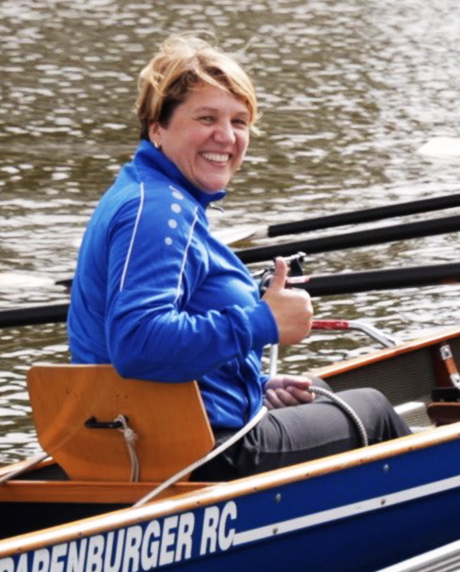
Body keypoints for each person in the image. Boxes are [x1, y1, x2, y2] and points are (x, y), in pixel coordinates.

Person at [68, 36, 409, 479]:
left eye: (240, 122)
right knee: (376, 410)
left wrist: (251, 383)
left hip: (150, 431)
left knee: (319, 391)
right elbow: (137, 345)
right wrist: (263, 322)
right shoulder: (160, 211)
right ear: (157, 127)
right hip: (202, 451)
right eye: (205, 118)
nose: (226, 137)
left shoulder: (144, 193)